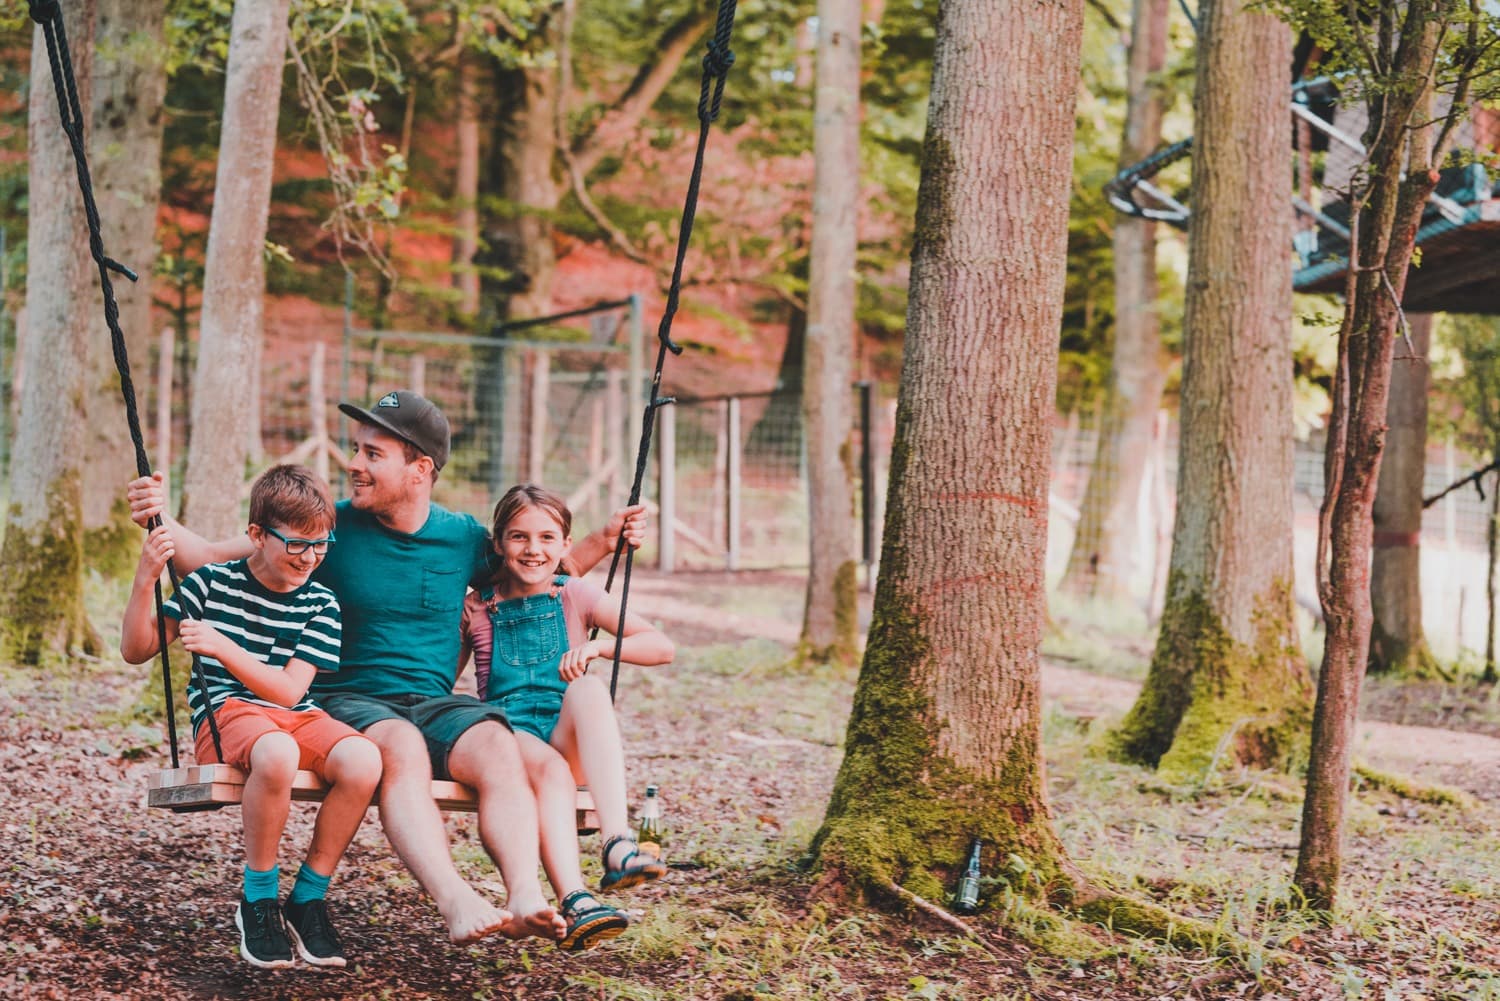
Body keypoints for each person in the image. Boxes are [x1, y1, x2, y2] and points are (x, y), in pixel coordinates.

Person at [126, 389, 647, 949]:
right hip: (348, 700)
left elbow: (539, 567)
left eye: (373, 454)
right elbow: (209, 556)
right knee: (399, 744)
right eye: (357, 450)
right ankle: (456, 899)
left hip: (435, 700)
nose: (354, 465)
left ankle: (524, 895)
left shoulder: (464, 537)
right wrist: (157, 514)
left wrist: (606, 539)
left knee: (497, 745)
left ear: (419, 469)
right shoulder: (331, 527)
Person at [121, 465, 383, 970]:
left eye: (321, 545)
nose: (310, 558)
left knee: (364, 760)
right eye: (297, 544)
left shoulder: (321, 603)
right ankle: (259, 897)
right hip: (226, 715)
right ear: (257, 536)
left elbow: (289, 693)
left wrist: (222, 644)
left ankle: (308, 897)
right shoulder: (211, 584)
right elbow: (137, 650)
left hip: (293, 713)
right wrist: (145, 579)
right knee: (278, 752)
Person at [459, 485, 674, 942]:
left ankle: (618, 844)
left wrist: (599, 645)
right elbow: (438, 680)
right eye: (518, 537)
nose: (533, 549)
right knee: (550, 771)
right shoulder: (477, 607)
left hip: (563, 735)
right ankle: (575, 898)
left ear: (564, 546)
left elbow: (661, 646)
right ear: (498, 544)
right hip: (507, 738)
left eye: (546, 538)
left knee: (590, 688)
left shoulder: (574, 594)